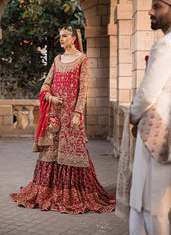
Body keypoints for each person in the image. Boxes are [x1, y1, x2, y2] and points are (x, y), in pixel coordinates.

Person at [11, 26, 116, 214]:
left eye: (64, 36)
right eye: (59, 36)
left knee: (75, 152)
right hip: (55, 116)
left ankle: (73, 193)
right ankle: (48, 192)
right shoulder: (57, 60)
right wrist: (51, 98)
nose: (61, 39)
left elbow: (83, 89)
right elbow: (46, 85)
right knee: (51, 152)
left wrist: (77, 114)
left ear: (74, 38)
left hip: (71, 116)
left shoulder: (82, 59)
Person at [129, 0, 171, 235]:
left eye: (157, 6)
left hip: (156, 135)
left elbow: (147, 95)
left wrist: (133, 117)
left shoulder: (167, 45)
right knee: (151, 208)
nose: (151, 12)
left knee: (148, 208)